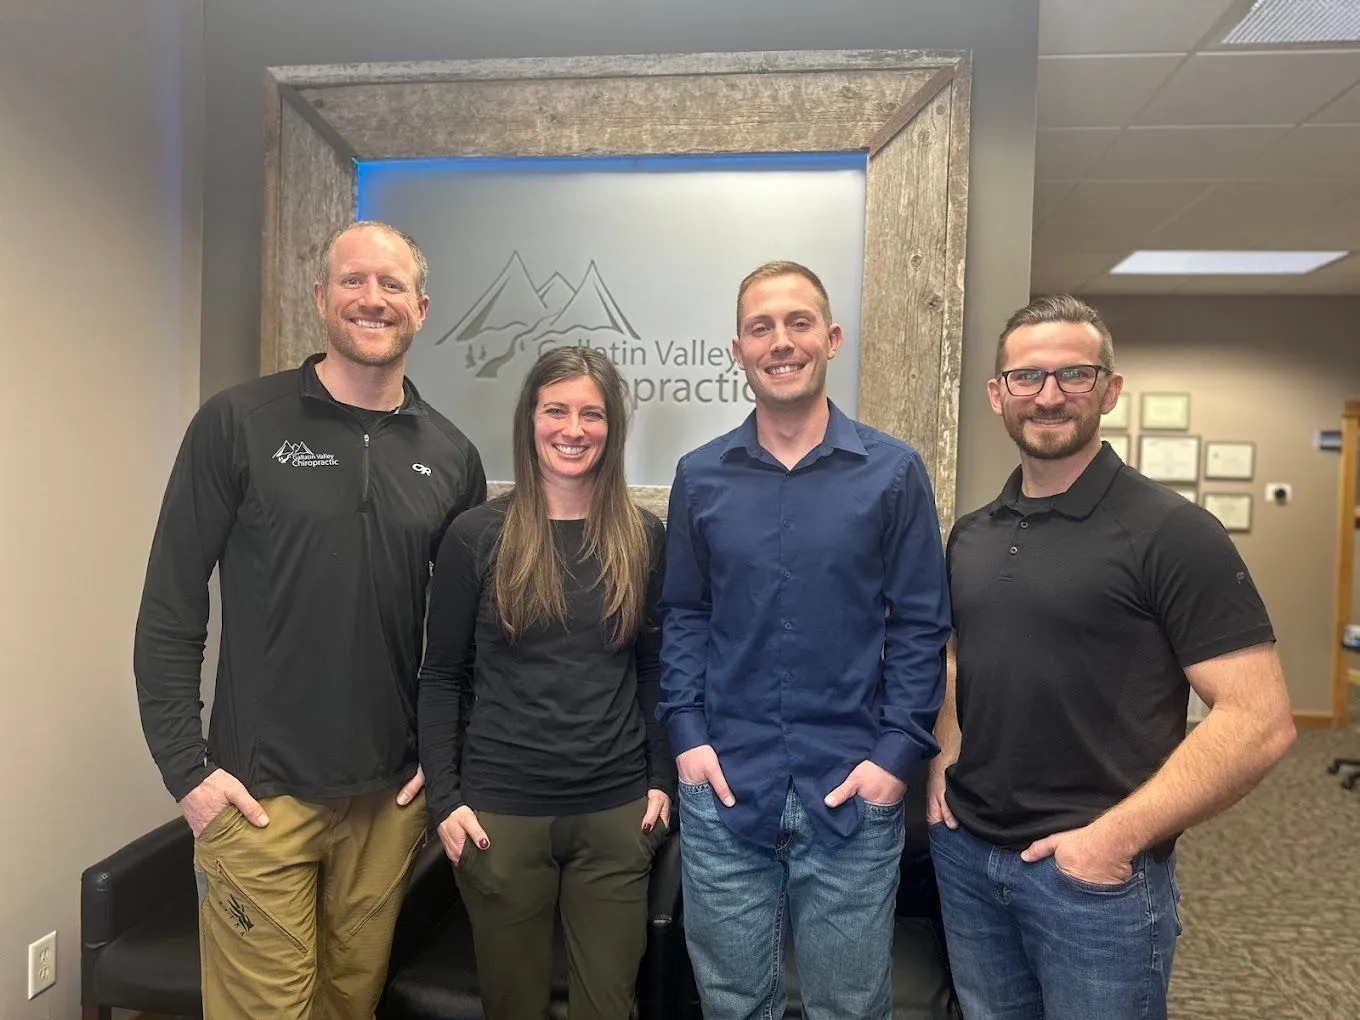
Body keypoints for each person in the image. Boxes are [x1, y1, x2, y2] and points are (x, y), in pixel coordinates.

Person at [133, 221, 486, 1019]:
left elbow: (463, 638)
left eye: (392, 284)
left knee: (349, 1008)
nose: (373, 298)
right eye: (354, 281)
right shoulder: (239, 423)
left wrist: (445, 756)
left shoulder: (452, 456)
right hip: (260, 798)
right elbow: (171, 602)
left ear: (421, 308)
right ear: (321, 298)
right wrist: (186, 769)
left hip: (389, 804)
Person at [929, 293, 1296, 1019]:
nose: (1049, 396)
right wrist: (946, 755)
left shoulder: (1173, 532)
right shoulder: (972, 533)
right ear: (998, 394)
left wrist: (1113, 840)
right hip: (968, 860)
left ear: (1110, 388)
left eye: (1074, 374)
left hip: (1092, 882)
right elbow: (957, 657)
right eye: (1028, 377)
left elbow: (1259, 719)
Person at [658, 261, 951, 1019]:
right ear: (738, 349)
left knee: (849, 1007)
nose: (780, 342)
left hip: (852, 787)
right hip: (726, 786)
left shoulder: (893, 473)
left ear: (831, 338)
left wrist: (896, 757)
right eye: (761, 327)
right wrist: (687, 738)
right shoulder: (701, 476)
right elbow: (686, 613)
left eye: (798, 323)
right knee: (731, 1005)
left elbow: (921, 624)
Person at [418, 345, 673, 1020]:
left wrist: (661, 780)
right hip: (500, 819)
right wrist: (444, 801)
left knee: (608, 1007)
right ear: (529, 420)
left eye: (593, 413)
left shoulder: (643, 537)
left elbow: (653, 669)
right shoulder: (476, 536)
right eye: (556, 410)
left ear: (612, 428)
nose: (573, 429)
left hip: (616, 813)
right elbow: (441, 676)